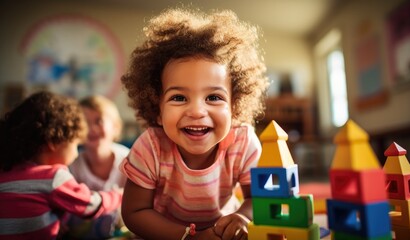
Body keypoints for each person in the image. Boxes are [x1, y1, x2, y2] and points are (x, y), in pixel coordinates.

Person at [120, 7, 269, 240]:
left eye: (213, 97)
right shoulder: (150, 147)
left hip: (224, 233)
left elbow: (256, 199)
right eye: (179, 98)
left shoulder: (243, 142)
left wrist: (244, 217)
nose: (197, 111)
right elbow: (135, 212)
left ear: (235, 106)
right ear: (157, 109)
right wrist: (189, 238)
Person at [0, 91, 122, 239]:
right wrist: (120, 196)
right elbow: (91, 206)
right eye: (76, 144)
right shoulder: (53, 178)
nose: (77, 152)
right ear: (53, 143)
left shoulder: (5, 172)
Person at [65, 95, 130, 239]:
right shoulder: (72, 165)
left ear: (115, 127)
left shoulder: (129, 160)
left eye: (98, 121)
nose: (92, 128)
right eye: (85, 123)